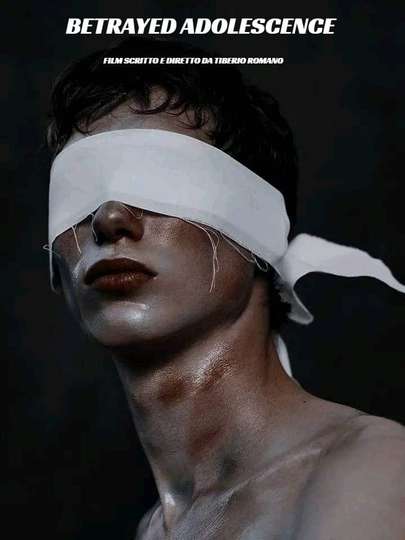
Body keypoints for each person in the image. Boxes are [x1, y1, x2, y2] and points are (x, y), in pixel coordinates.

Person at [47, 37, 405, 539]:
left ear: (257, 224)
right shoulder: (159, 529)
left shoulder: (371, 472)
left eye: (160, 177)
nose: (108, 218)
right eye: (79, 190)